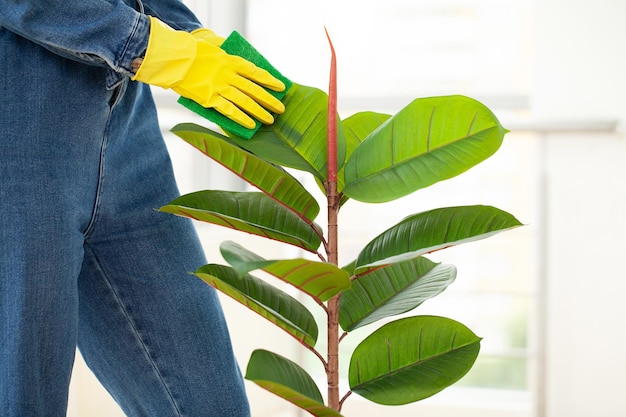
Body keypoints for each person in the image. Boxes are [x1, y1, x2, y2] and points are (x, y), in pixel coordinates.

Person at [0, 1, 285, 416]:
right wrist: (149, 46)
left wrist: (187, 35)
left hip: (128, 137)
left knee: (210, 405)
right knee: (23, 400)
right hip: (19, 143)